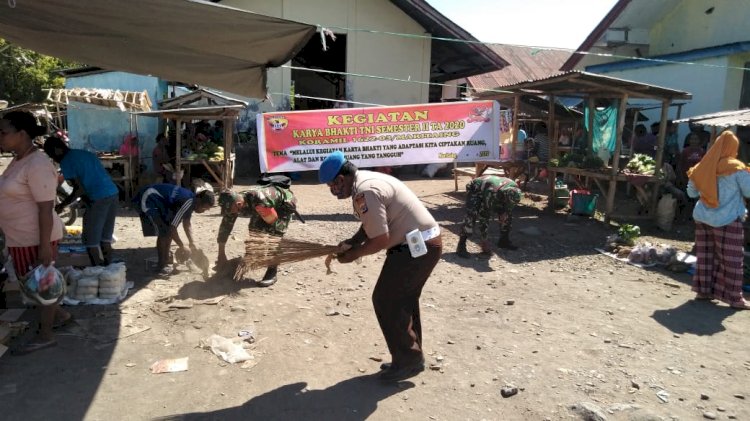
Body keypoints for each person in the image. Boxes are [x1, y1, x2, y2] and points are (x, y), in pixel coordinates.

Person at [319, 151, 442, 381]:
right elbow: (372, 224)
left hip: (416, 247)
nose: (332, 190)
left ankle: (409, 360)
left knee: (386, 299)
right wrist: (353, 242)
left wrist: (354, 254)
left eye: (332, 184)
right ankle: (411, 357)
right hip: (419, 243)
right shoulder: (365, 180)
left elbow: (381, 239)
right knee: (403, 299)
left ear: (342, 178)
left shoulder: (365, 191)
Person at [0, 111, 72, 355]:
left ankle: (46, 335)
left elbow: (45, 207)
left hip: (36, 237)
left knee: (41, 285)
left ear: (22, 134)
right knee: (33, 283)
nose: (0, 136)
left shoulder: (37, 163)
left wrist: (43, 246)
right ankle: (60, 316)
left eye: (3, 132)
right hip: (19, 236)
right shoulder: (19, 159)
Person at [686, 130, 750, 310]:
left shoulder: (703, 166)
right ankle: (735, 299)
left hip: (702, 218)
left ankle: (703, 291)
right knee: (732, 259)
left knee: (706, 255)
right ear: (733, 147)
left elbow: (691, 193)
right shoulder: (736, 168)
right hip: (727, 219)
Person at [43, 135, 119, 266]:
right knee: (105, 238)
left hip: (98, 197)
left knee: (91, 241)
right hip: (112, 193)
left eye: (51, 154)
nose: (53, 158)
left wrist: (62, 205)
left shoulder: (66, 161)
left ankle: (98, 270)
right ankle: (109, 268)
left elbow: (79, 190)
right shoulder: (83, 153)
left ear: (57, 150)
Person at [216, 175, 301, 287]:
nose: (232, 213)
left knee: (273, 237)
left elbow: (272, 223)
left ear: (239, 204)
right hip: (263, 207)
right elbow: (225, 226)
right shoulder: (234, 203)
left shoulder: (260, 201)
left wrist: (258, 246)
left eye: (233, 211)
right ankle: (245, 262)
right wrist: (221, 254)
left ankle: (272, 271)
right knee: (254, 232)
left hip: (283, 205)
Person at [132, 183, 214, 275]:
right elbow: (172, 228)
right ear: (199, 200)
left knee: (167, 232)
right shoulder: (188, 202)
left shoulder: (192, 202)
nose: (203, 211)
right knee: (163, 232)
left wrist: (192, 242)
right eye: (204, 208)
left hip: (161, 203)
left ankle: (165, 259)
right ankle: (161, 265)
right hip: (148, 199)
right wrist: (182, 246)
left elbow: (187, 223)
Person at [456, 175, 523, 258]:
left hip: (495, 189)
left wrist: (504, 212)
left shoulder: (515, 190)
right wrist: (484, 241)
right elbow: (484, 217)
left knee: (507, 215)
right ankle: (461, 246)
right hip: (476, 188)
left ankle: (504, 241)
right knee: (472, 214)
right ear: (503, 197)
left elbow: (510, 205)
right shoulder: (492, 193)